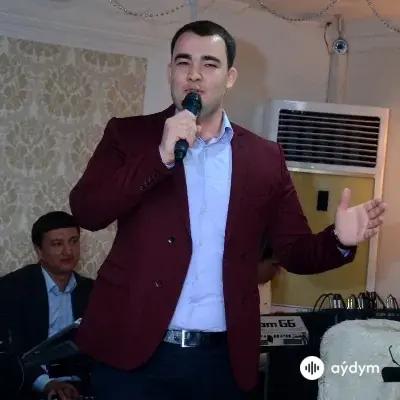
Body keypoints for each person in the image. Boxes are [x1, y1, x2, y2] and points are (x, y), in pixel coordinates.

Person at [69, 20, 386, 399]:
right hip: (131, 357)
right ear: (170, 72)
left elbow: (294, 251)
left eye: (209, 64)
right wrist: (159, 156)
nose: (194, 75)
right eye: (184, 62)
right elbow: (87, 211)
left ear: (230, 77)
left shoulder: (265, 158)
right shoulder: (128, 135)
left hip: (221, 362)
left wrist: (339, 240)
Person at [0, 211, 93, 400]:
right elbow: (9, 352)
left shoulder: (92, 291)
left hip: (83, 386)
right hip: (30, 385)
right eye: (57, 244)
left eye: (74, 241)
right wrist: (46, 384)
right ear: (39, 250)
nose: (68, 251)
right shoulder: (11, 288)